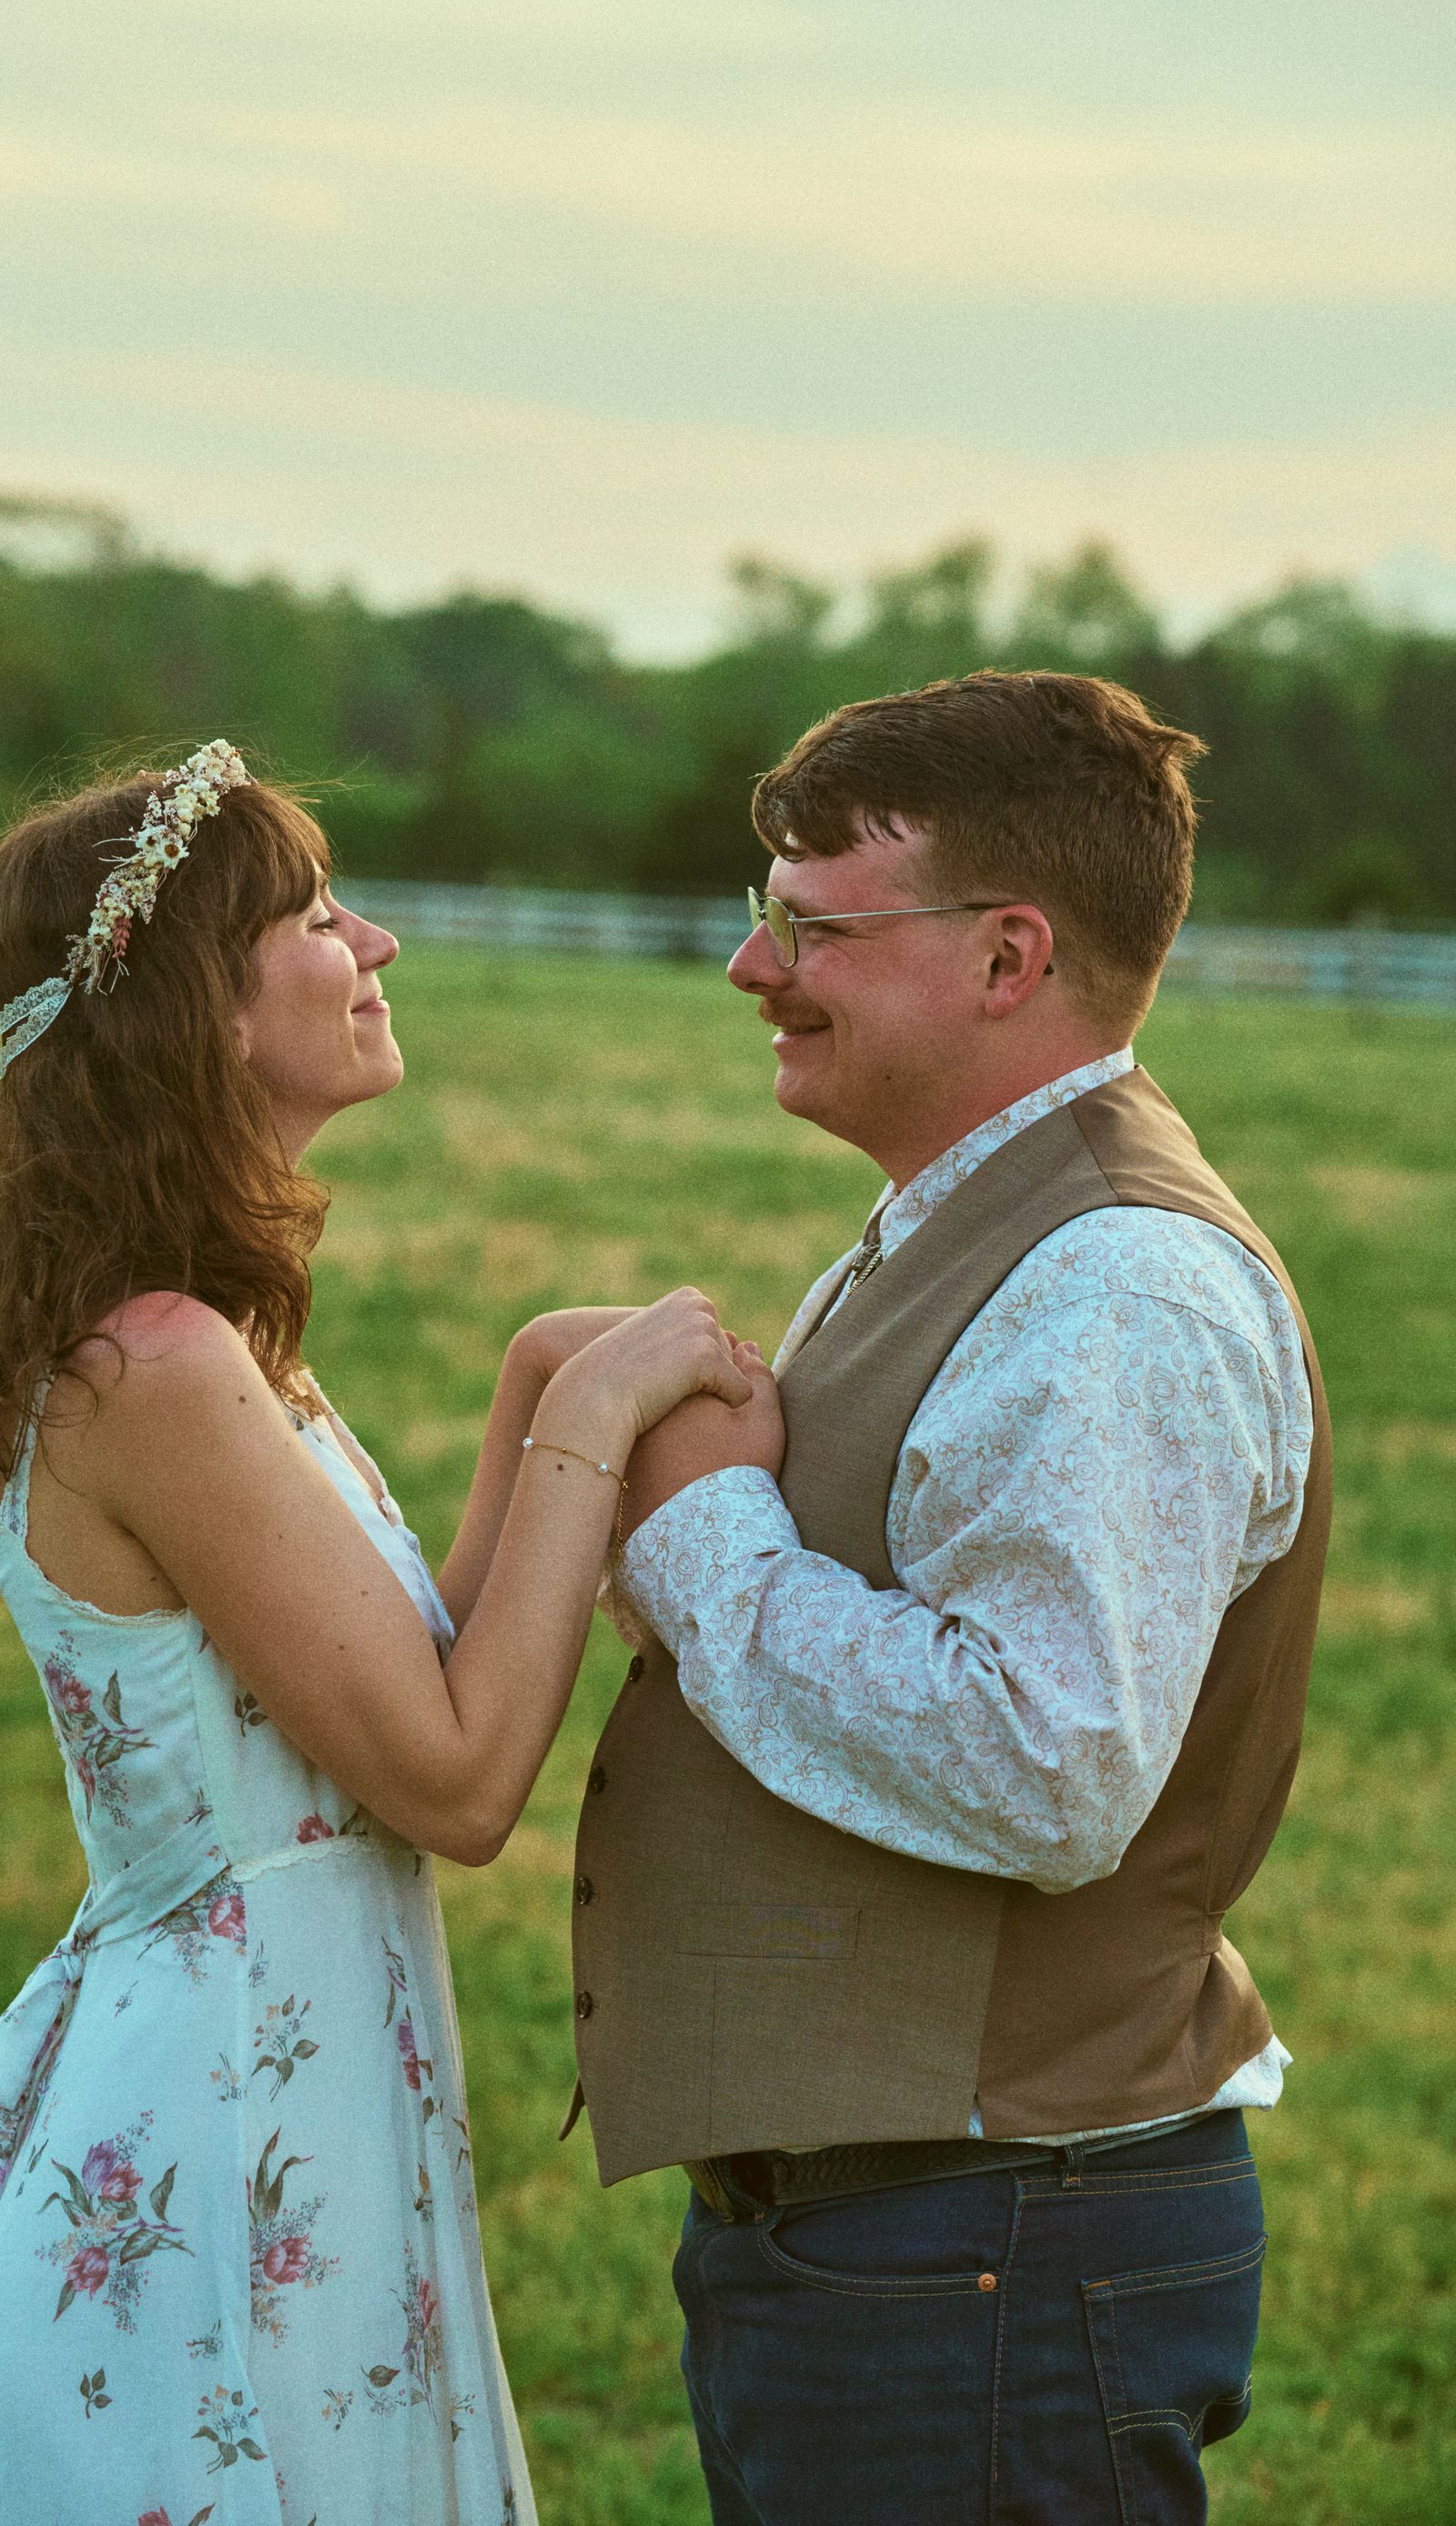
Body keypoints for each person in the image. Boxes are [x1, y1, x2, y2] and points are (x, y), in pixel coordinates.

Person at [0, 741, 755, 2525]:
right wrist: (593, 1423)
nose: (372, 939)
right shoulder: (153, 1367)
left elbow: (386, 1698)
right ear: (199, 1014)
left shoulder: (202, 1342)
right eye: (313, 912)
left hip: (302, 2081)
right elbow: (452, 1780)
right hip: (228, 2131)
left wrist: (540, 1371)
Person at [566, 674, 1331, 2525]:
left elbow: (1043, 1761)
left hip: (987, 2242)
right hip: (926, 2236)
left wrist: (702, 1541)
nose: (757, 969)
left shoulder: (1117, 1291)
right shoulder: (973, 1220)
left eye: (815, 928)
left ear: (1008, 958)